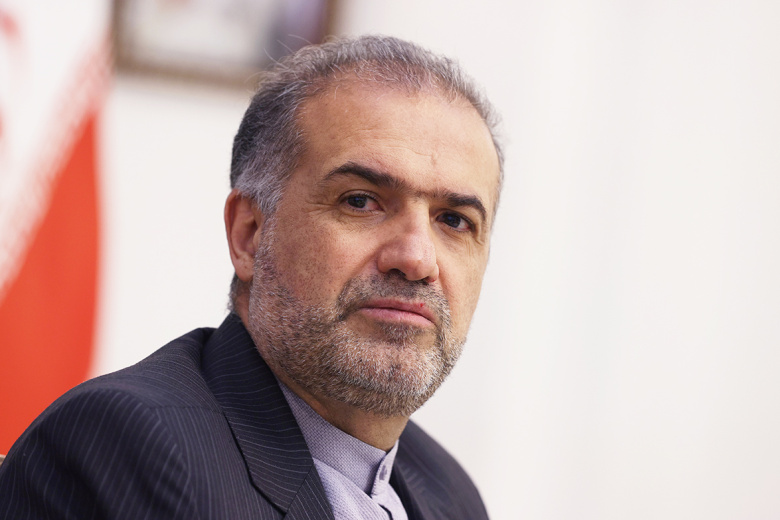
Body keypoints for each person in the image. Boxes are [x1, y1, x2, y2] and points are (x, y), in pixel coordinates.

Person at [0, 35, 503, 519]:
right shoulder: (131, 447)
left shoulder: (448, 492)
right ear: (249, 234)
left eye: (454, 220)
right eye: (360, 201)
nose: (416, 258)